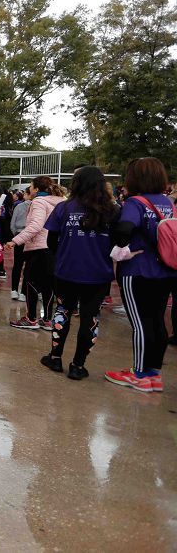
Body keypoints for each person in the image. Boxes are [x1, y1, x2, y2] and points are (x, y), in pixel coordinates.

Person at [105, 157, 176, 392]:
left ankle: (139, 374)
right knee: (157, 320)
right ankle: (154, 373)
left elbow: (126, 227)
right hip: (165, 269)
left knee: (139, 322)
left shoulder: (135, 203)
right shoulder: (167, 202)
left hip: (137, 270)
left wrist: (121, 249)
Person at [40, 166, 117, 379]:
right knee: (90, 318)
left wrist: (64, 255)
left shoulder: (64, 208)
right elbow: (118, 242)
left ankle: (55, 358)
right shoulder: (112, 211)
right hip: (98, 273)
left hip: (66, 270)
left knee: (62, 310)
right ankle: (78, 365)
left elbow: (50, 241)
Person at [6, 177, 66, 330]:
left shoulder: (39, 202)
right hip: (54, 247)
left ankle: (31, 318)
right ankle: (47, 319)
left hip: (38, 247)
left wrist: (16, 240)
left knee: (30, 282)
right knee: (48, 285)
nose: (30, 190)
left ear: (37, 189)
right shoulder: (62, 202)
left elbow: (36, 225)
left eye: (31, 186)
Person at [9, 190, 31, 301]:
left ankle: (14, 290)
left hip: (19, 234)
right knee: (28, 266)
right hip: (31, 236)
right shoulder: (38, 206)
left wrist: (15, 235)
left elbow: (12, 224)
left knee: (17, 264)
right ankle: (23, 292)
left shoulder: (19, 206)